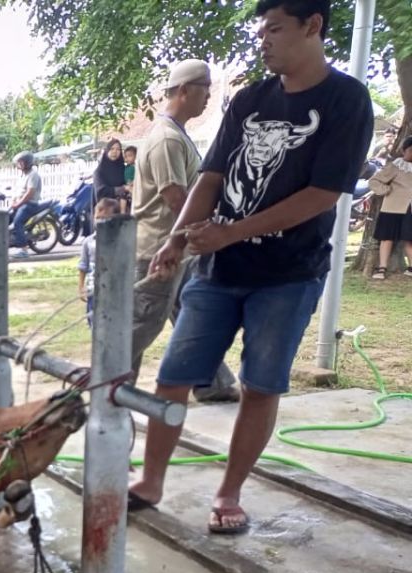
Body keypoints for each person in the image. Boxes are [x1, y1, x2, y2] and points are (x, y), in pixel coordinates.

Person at [129, 0, 373, 536]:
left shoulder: (346, 100)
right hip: (218, 269)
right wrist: (176, 240)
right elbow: (211, 178)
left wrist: (232, 230)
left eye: (275, 29)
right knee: (173, 378)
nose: (264, 40)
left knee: (261, 385)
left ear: (313, 27)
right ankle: (150, 481)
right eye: (260, 30)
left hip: (289, 272)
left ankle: (229, 491)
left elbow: (325, 193)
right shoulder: (250, 100)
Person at [131, 58, 239, 403]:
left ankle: (212, 382)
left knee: (195, 316)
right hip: (160, 249)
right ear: (183, 91)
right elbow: (176, 198)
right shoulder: (166, 140)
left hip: (178, 248)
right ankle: (108, 391)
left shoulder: (175, 134)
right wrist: (206, 230)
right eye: (203, 90)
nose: (207, 97)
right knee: (138, 327)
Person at [367, 135, 412, 279]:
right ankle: (382, 268)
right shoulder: (395, 166)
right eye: (411, 150)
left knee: (409, 239)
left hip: (410, 210)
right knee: (387, 238)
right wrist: (386, 190)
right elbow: (374, 181)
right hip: (392, 208)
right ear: (404, 150)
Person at [77, 199, 122, 324]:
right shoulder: (88, 242)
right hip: (93, 291)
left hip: (114, 292)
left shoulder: (120, 241)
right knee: (94, 322)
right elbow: (83, 266)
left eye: (104, 219)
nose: (99, 222)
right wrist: (81, 287)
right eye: (97, 218)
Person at [8, 151, 45, 259]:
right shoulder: (23, 175)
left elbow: (29, 193)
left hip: (29, 204)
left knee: (17, 222)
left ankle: (23, 250)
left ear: (27, 163)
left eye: (21, 162)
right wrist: (13, 200)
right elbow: (18, 191)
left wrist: (18, 203)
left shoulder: (33, 175)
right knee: (5, 219)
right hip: (20, 204)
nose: (18, 165)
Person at [94, 139, 131, 213]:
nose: (115, 151)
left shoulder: (124, 169)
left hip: (124, 212)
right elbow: (100, 192)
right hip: (106, 212)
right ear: (107, 151)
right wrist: (122, 189)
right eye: (112, 149)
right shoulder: (100, 171)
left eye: (118, 149)